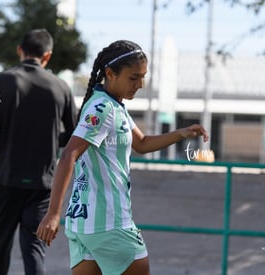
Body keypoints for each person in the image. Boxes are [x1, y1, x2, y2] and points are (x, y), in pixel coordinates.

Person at [36, 40, 209, 275]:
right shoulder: (103, 108)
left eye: (143, 77)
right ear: (110, 73)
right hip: (110, 224)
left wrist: (181, 133)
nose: (140, 84)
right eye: (133, 77)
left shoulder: (111, 105)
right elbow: (69, 155)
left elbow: (142, 143)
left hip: (83, 225)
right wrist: (53, 213)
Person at [0, 28, 77, 275]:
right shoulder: (62, 88)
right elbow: (74, 133)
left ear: (20, 51)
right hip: (42, 185)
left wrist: (9, 140)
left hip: (5, 180)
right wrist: (52, 141)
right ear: (48, 56)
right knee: (34, 251)